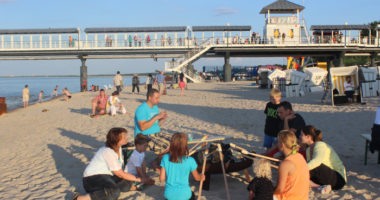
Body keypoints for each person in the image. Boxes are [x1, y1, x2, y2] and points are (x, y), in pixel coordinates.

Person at [73, 128, 150, 200]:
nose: (126, 138)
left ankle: (132, 187)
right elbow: (120, 174)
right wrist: (139, 179)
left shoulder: (118, 147)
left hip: (107, 175)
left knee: (126, 184)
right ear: (116, 139)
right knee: (114, 192)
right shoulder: (108, 151)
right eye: (124, 137)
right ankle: (80, 198)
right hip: (92, 179)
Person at [300, 126, 346, 193]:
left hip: (338, 179)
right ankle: (318, 186)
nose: (299, 136)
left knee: (314, 166)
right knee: (303, 173)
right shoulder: (308, 150)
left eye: (301, 135)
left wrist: (300, 169)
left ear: (308, 137)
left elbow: (317, 162)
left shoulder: (320, 145)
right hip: (324, 178)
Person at [159, 133, 205, 200]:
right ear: (185, 145)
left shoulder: (165, 158)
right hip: (184, 195)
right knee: (191, 195)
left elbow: (161, 179)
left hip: (169, 194)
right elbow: (197, 178)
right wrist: (202, 177)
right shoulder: (190, 160)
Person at [274, 130, 310, 200]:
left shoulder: (285, 164)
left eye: (278, 142)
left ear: (282, 144)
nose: (277, 144)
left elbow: (279, 189)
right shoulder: (299, 156)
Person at [263, 89, 282, 153]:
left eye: (274, 99)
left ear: (279, 97)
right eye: (271, 98)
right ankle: (267, 155)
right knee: (268, 146)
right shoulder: (269, 104)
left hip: (276, 131)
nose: (272, 100)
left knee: (276, 147)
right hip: (268, 129)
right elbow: (266, 114)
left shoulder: (281, 106)